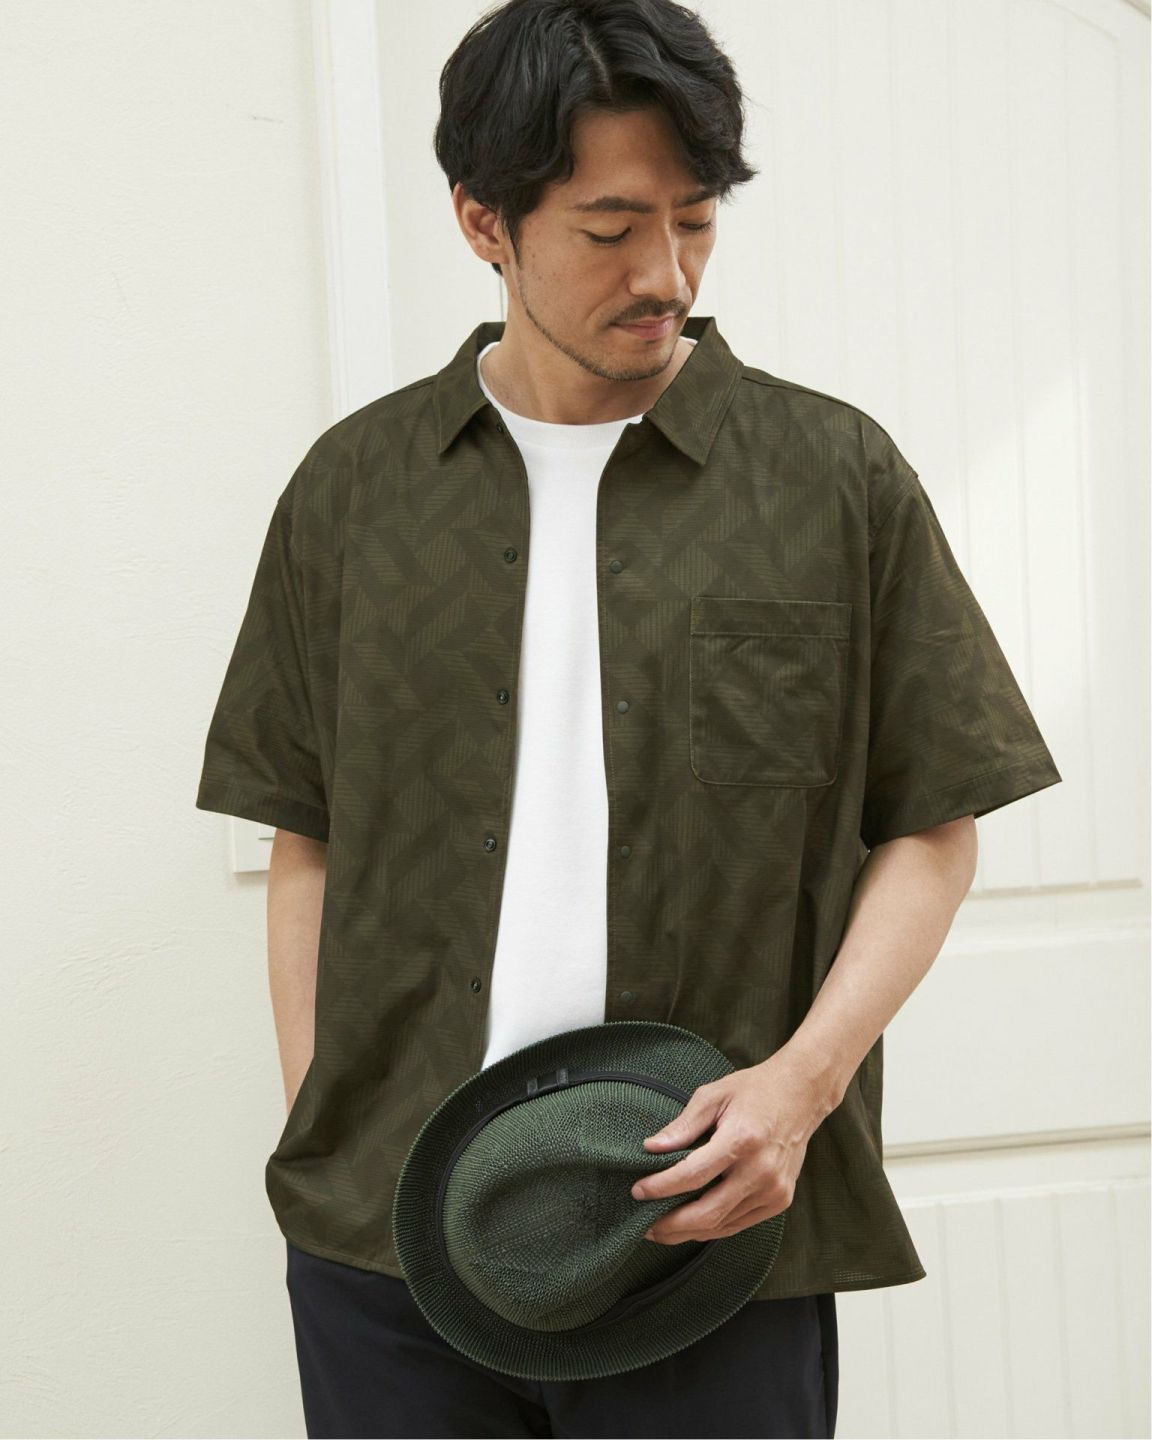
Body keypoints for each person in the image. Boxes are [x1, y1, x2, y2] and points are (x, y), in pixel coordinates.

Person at [195, 1, 1062, 1435]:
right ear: (483, 220)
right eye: (610, 229)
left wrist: (800, 1091)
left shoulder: (830, 479)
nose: (665, 274)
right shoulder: (354, 493)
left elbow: (933, 824)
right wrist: (323, 1125)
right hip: (391, 1250)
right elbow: (309, 838)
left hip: (705, 1235)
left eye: (695, 221)